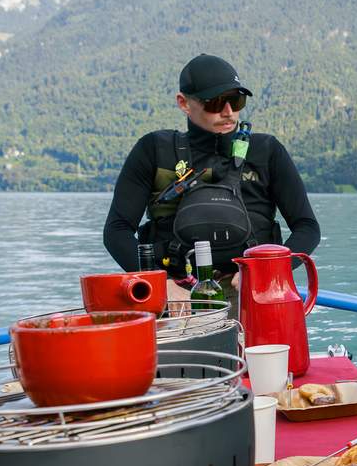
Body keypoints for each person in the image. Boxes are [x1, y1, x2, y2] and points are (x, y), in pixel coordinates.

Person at [103, 53, 320, 295]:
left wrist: (271, 271)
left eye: (236, 101)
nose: (228, 112)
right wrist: (161, 285)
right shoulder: (153, 150)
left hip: (253, 290)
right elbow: (117, 230)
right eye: (215, 103)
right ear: (184, 103)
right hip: (174, 292)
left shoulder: (267, 151)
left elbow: (307, 227)